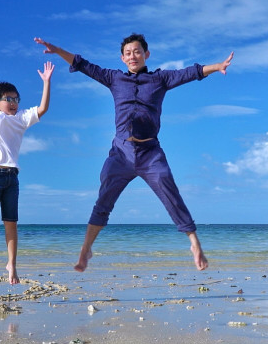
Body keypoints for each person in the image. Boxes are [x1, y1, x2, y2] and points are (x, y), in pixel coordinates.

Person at [34, 34, 233, 272]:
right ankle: (86, 249)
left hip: (150, 152)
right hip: (121, 152)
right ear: (122, 58)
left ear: (146, 54)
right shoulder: (114, 78)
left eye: (137, 51)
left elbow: (191, 72)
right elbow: (83, 64)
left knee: (168, 188)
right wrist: (57, 49)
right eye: (128, 53)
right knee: (104, 198)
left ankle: (194, 243)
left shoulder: (160, 78)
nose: (132, 56)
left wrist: (217, 66)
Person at [0, 46, 53, 284]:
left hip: (11, 177)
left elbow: (43, 108)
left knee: (11, 223)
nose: (14, 103)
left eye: (17, 99)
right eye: (9, 99)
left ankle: (11, 265)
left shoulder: (20, 120)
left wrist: (46, 82)